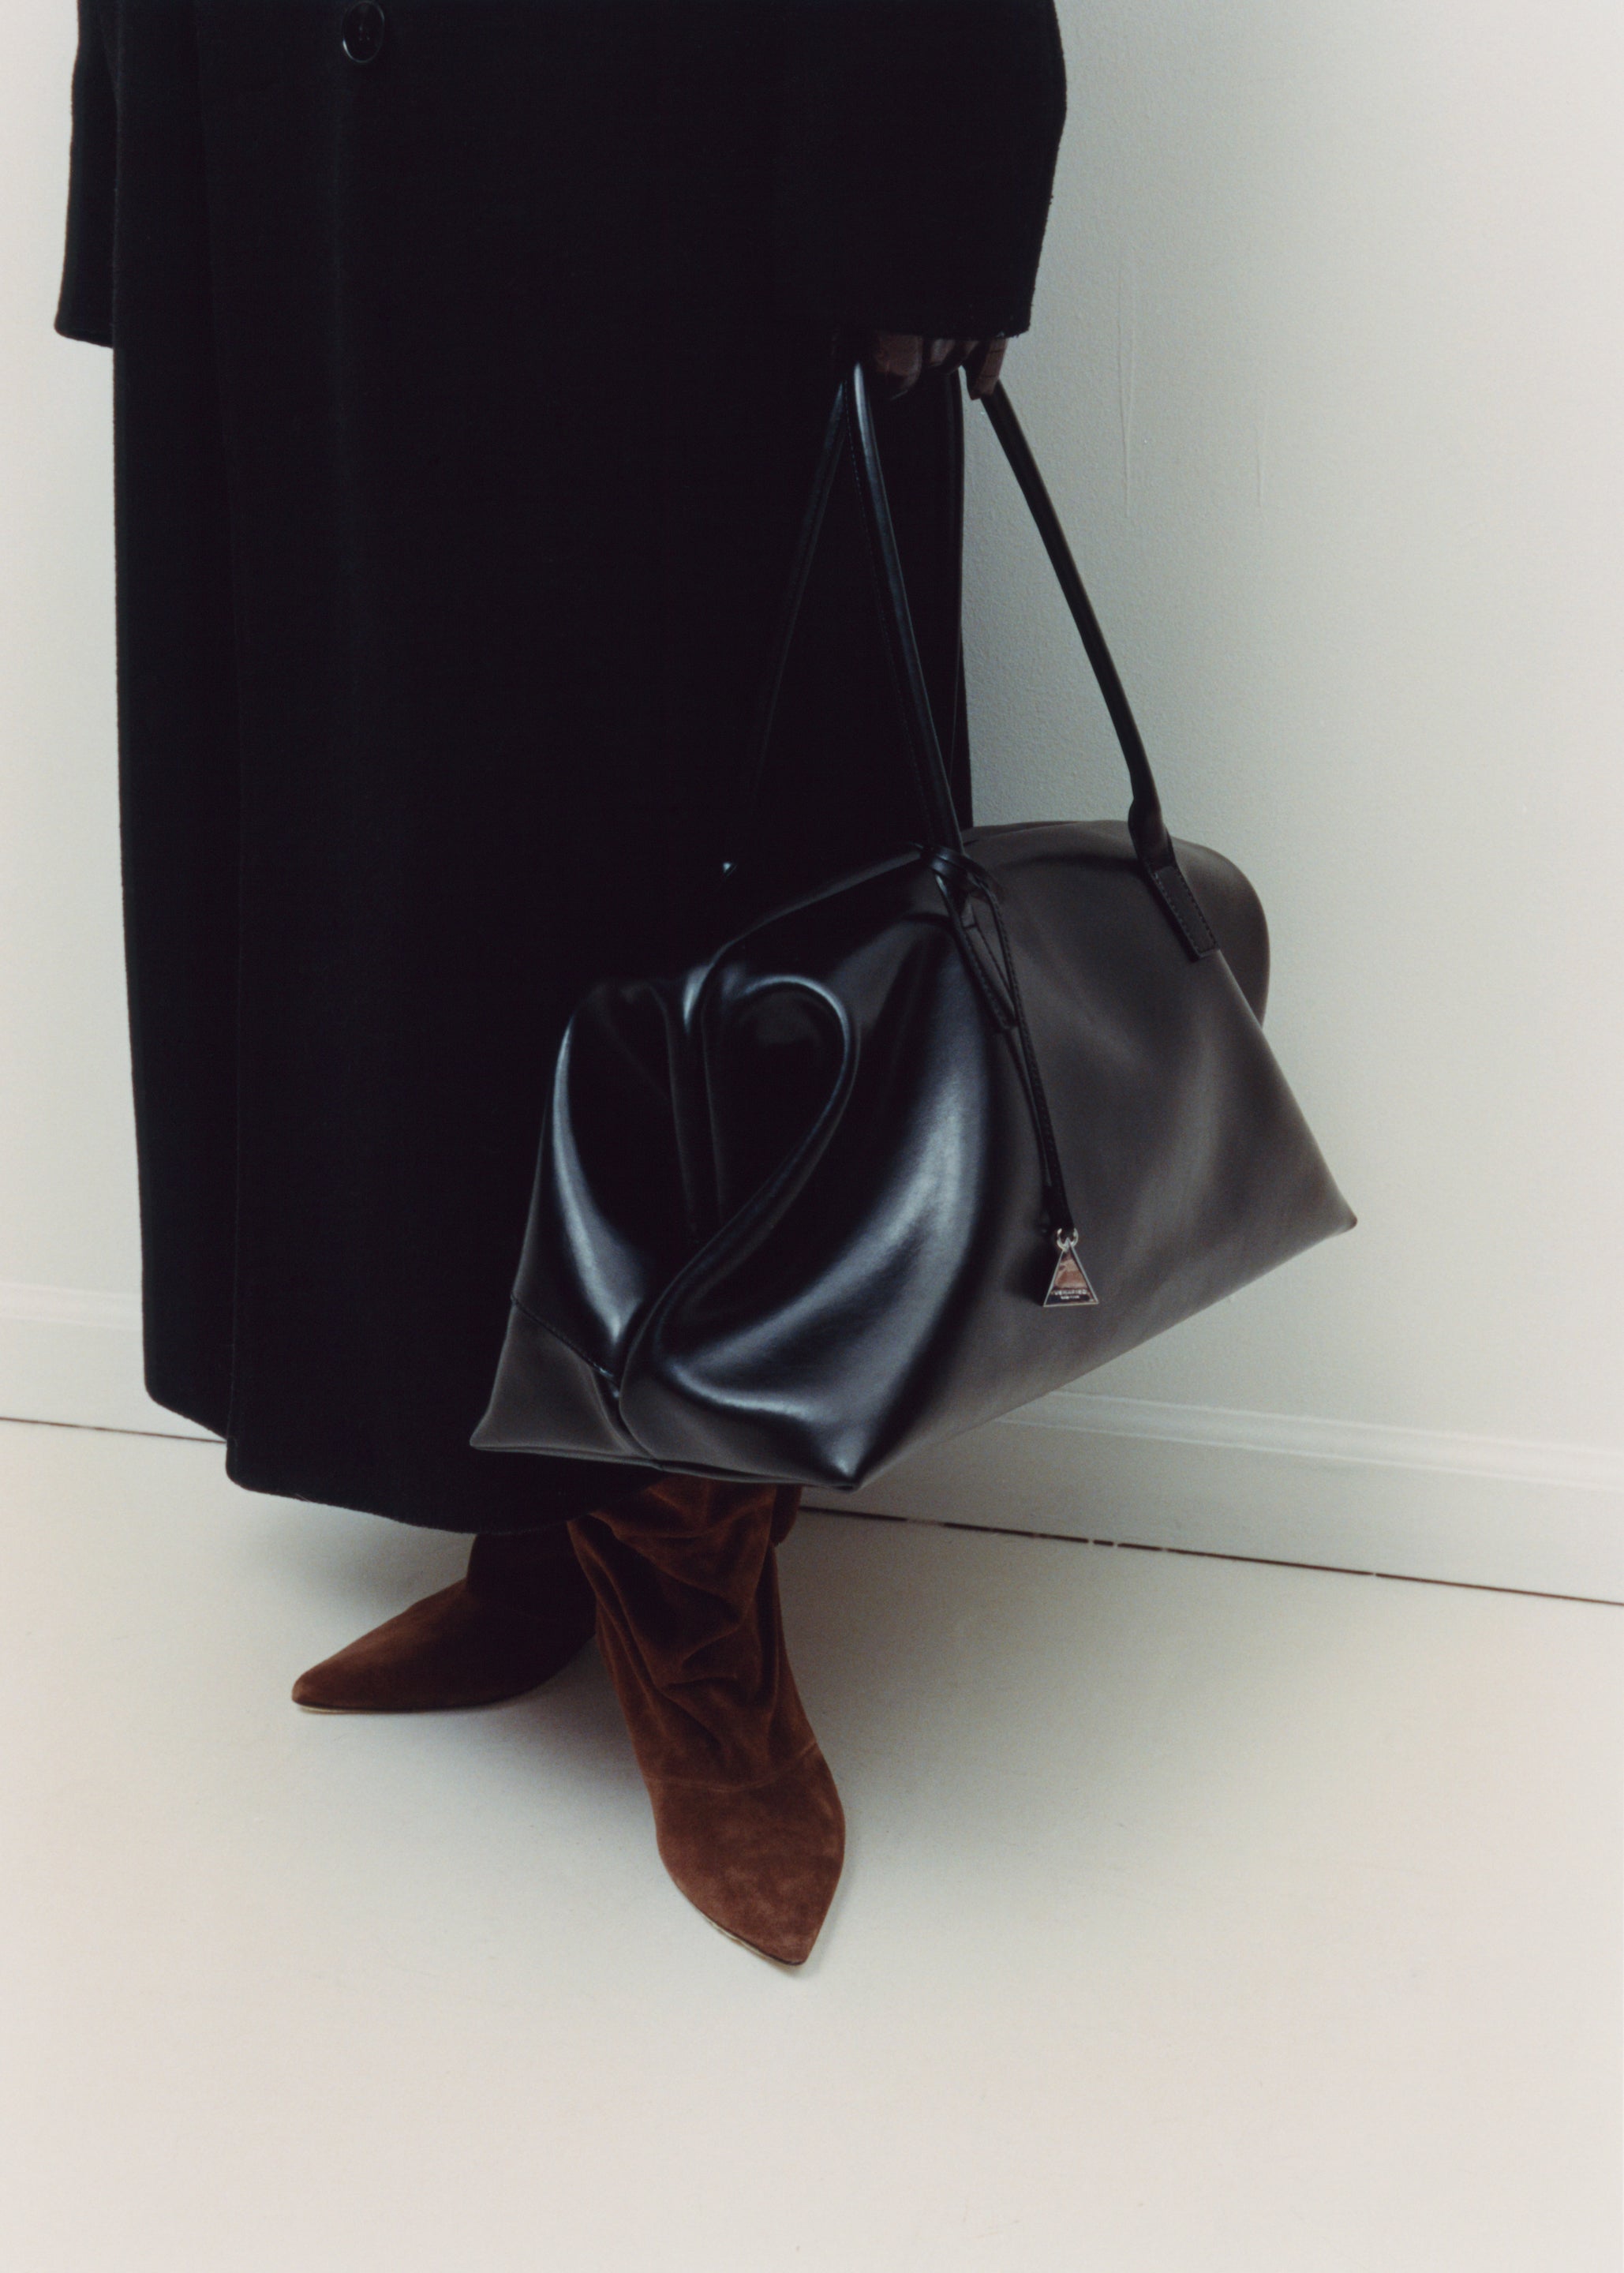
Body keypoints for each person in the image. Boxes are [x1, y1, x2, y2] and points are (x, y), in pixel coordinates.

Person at [55, 0, 1066, 1964]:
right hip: (298, 136)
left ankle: (694, 1575)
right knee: (386, 862)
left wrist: (930, 200)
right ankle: (519, 1500)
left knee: (687, 872)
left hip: (674, 153)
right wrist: (145, 172)